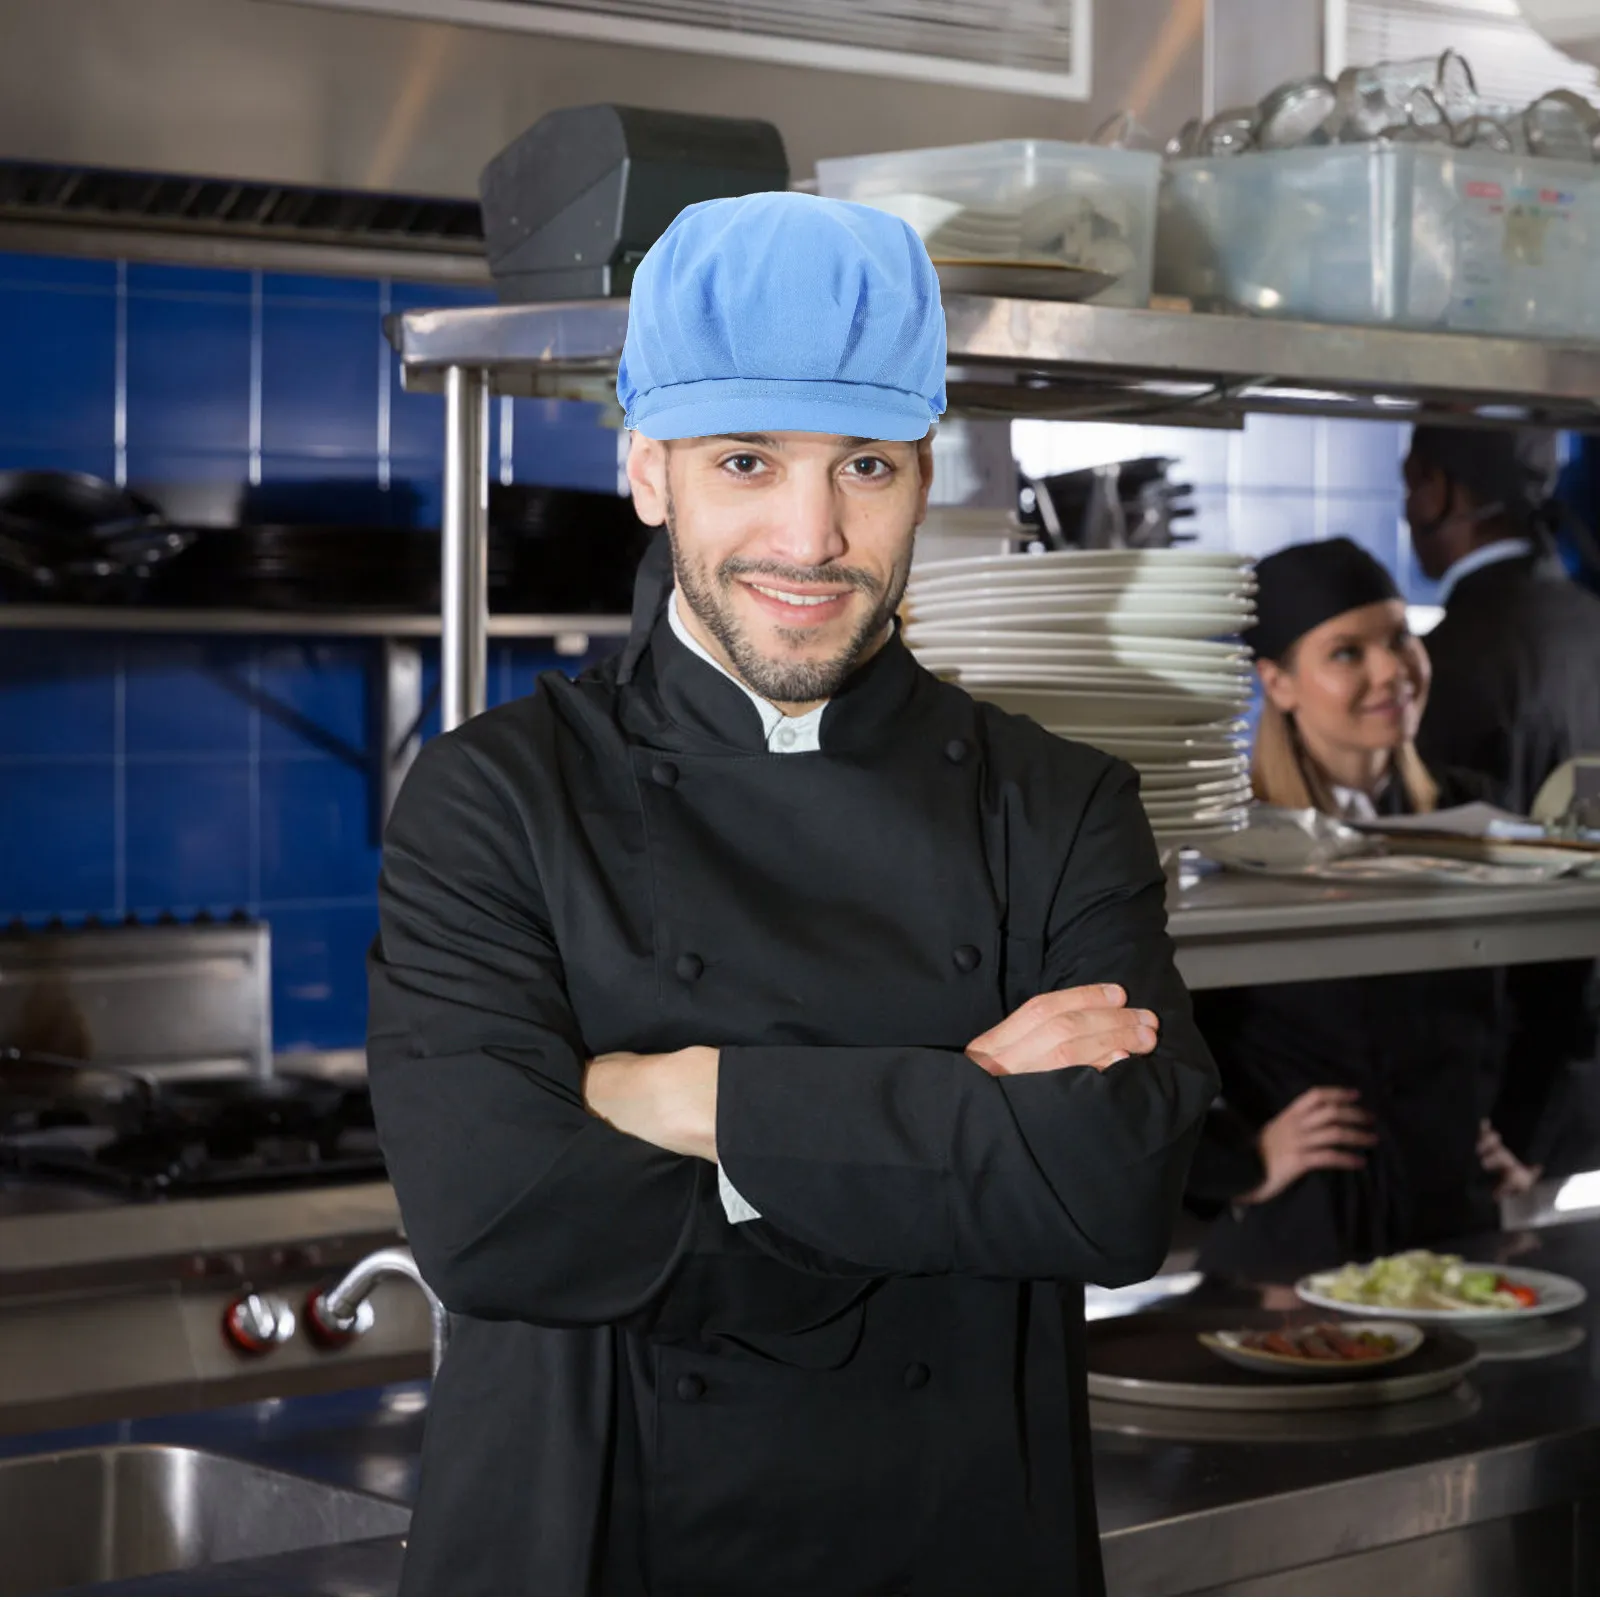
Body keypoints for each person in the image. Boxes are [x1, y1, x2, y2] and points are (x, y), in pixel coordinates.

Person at [366, 191, 1218, 1596]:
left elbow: (1112, 1188)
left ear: (926, 472)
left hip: (954, 1539)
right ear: (647, 469)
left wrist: (687, 1095)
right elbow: (499, 1218)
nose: (812, 539)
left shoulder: (1058, 805)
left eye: (865, 466)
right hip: (597, 1540)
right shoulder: (497, 797)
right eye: (748, 460)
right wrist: (960, 1121)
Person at [1190, 538, 1537, 1282]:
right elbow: (1153, 1044)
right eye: (1347, 653)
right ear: (1277, 682)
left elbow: (1550, 1003)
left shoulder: (1473, 816)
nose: (1392, 671)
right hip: (1303, 1234)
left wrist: (1524, 1132)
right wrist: (1240, 1162)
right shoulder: (1226, 840)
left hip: (1455, 1221)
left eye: (1400, 638)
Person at [1405, 424, 1600, 1174]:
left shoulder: (1441, 665)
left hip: (1496, 1108)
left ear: (1441, 492)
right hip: (1581, 1090)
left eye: (1410, 482)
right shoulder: (1589, 623)